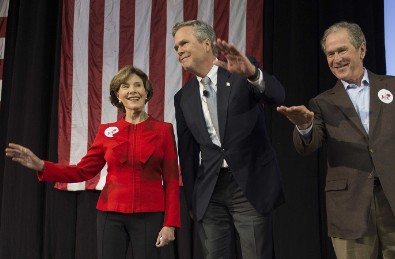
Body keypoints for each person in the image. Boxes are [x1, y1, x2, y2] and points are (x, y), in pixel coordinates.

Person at [277, 21, 395, 259]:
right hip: (350, 207)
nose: (336, 58)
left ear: (362, 49)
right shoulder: (322, 102)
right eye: (330, 54)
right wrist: (304, 125)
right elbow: (309, 144)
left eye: (342, 50)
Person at [5, 66, 180, 259]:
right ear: (118, 95)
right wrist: (43, 166)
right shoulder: (106, 131)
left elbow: (171, 181)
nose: (132, 90)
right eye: (125, 86)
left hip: (150, 215)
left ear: (146, 92)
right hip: (110, 215)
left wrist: (169, 223)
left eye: (138, 85)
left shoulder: (164, 130)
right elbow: (83, 171)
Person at [172, 20, 285, 259]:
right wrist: (194, 200)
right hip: (210, 191)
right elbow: (188, 151)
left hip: (248, 185)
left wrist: (254, 75)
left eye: (184, 43)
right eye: (175, 47)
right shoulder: (183, 97)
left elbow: (277, 95)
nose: (179, 50)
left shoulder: (240, 72)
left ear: (206, 44)